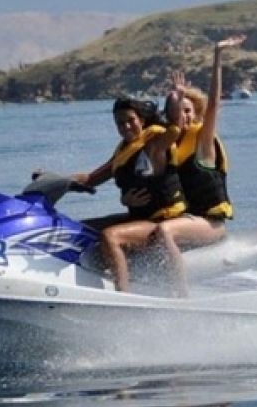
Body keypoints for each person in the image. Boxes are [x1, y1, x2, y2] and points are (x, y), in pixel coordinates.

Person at [152, 34, 244, 296]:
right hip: (186, 218)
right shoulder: (166, 145)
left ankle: (181, 295)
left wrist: (217, 55)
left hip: (209, 222)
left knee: (162, 231)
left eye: (189, 110)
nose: (184, 114)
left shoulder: (202, 142)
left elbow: (215, 103)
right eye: (179, 109)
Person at [75, 96, 186, 291]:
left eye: (130, 121)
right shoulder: (123, 150)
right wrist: (56, 180)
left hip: (159, 220)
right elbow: (91, 179)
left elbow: (174, 131)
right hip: (138, 217)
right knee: (79, 228)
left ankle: (123, 293)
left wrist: (177, 97)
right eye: (120, 123)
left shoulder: (154, 144)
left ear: (141, 121)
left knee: (110, 235)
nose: (126, 126)